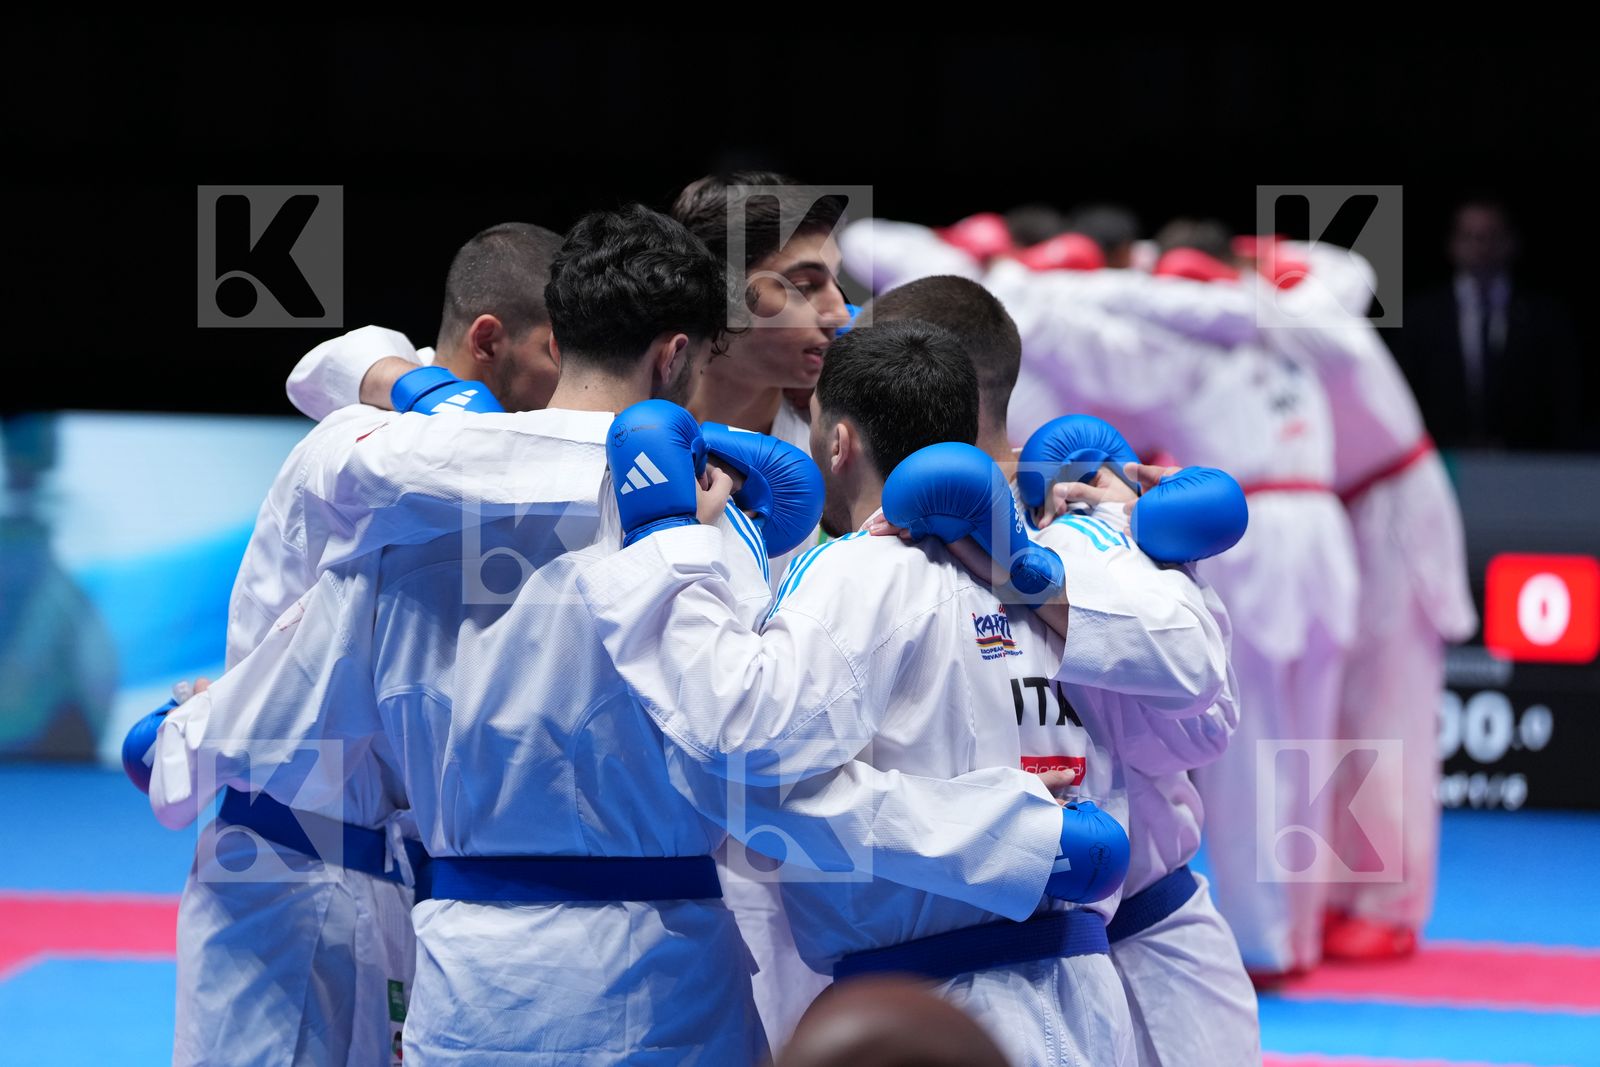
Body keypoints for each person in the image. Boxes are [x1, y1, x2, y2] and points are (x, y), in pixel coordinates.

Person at [152, 207, 1080, 1063]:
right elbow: (769, 768)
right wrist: (1010, 838)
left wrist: (179, 740)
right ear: (676, 354)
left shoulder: (404, 506)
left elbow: (288, 724)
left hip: (477, 977)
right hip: (671, 975)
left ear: (561, 331)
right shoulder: (709, 529)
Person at [577, 321, 1236, 1066]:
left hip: (924, 1008)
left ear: (839, 441)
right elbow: (1204, 711)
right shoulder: (1063, 563)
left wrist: (670, 540)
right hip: (1084, 991)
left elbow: (735, 738)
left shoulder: (866, 571)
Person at [128, 222, 569, 1067]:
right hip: (286, 873)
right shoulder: (366, 447)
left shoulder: (416, 413)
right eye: (557, 354)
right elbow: (332, 384)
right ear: (487, 340)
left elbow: (337, 362)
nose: (566, 391)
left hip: (390, 877)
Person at [869, 275, 1261, 1064]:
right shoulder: (872, 542)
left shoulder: (1085, 519)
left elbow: (1204, 702)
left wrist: (1031, 573)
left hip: (1145, 948)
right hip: (960, 961)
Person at [1257, 239, 1478, 959]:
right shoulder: (1220, 326)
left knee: (1389, 711)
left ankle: (1389, 904)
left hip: (1393, 505)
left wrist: (1263, 267)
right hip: (1332, 514)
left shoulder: (1309, 303)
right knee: (1332, 714)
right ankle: (1334, 892)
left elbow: (1348, 274)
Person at [1396, 198, 1585, 450]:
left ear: (1510, 243)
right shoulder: (1420, 316)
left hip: (1529, 465)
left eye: (1490, 236)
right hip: (1442, 460)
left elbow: (1565, 399)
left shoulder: (1545, 316)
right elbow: (1403, 395)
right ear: (1453, 244)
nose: (1481, 247)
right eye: (1470, 236)